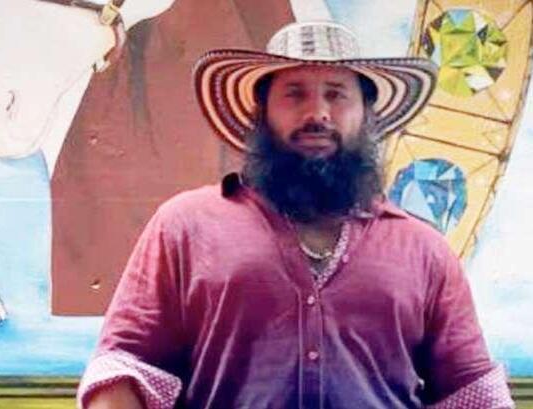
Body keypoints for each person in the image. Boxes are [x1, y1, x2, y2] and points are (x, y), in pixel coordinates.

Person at [77, 21, 515, 408]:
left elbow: (473, 394)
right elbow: (122, 368)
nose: (317, 113)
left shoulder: (425, 251)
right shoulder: (185, 227)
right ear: (261, 112)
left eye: (336, 94)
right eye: (294, 94)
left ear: (367, 115)